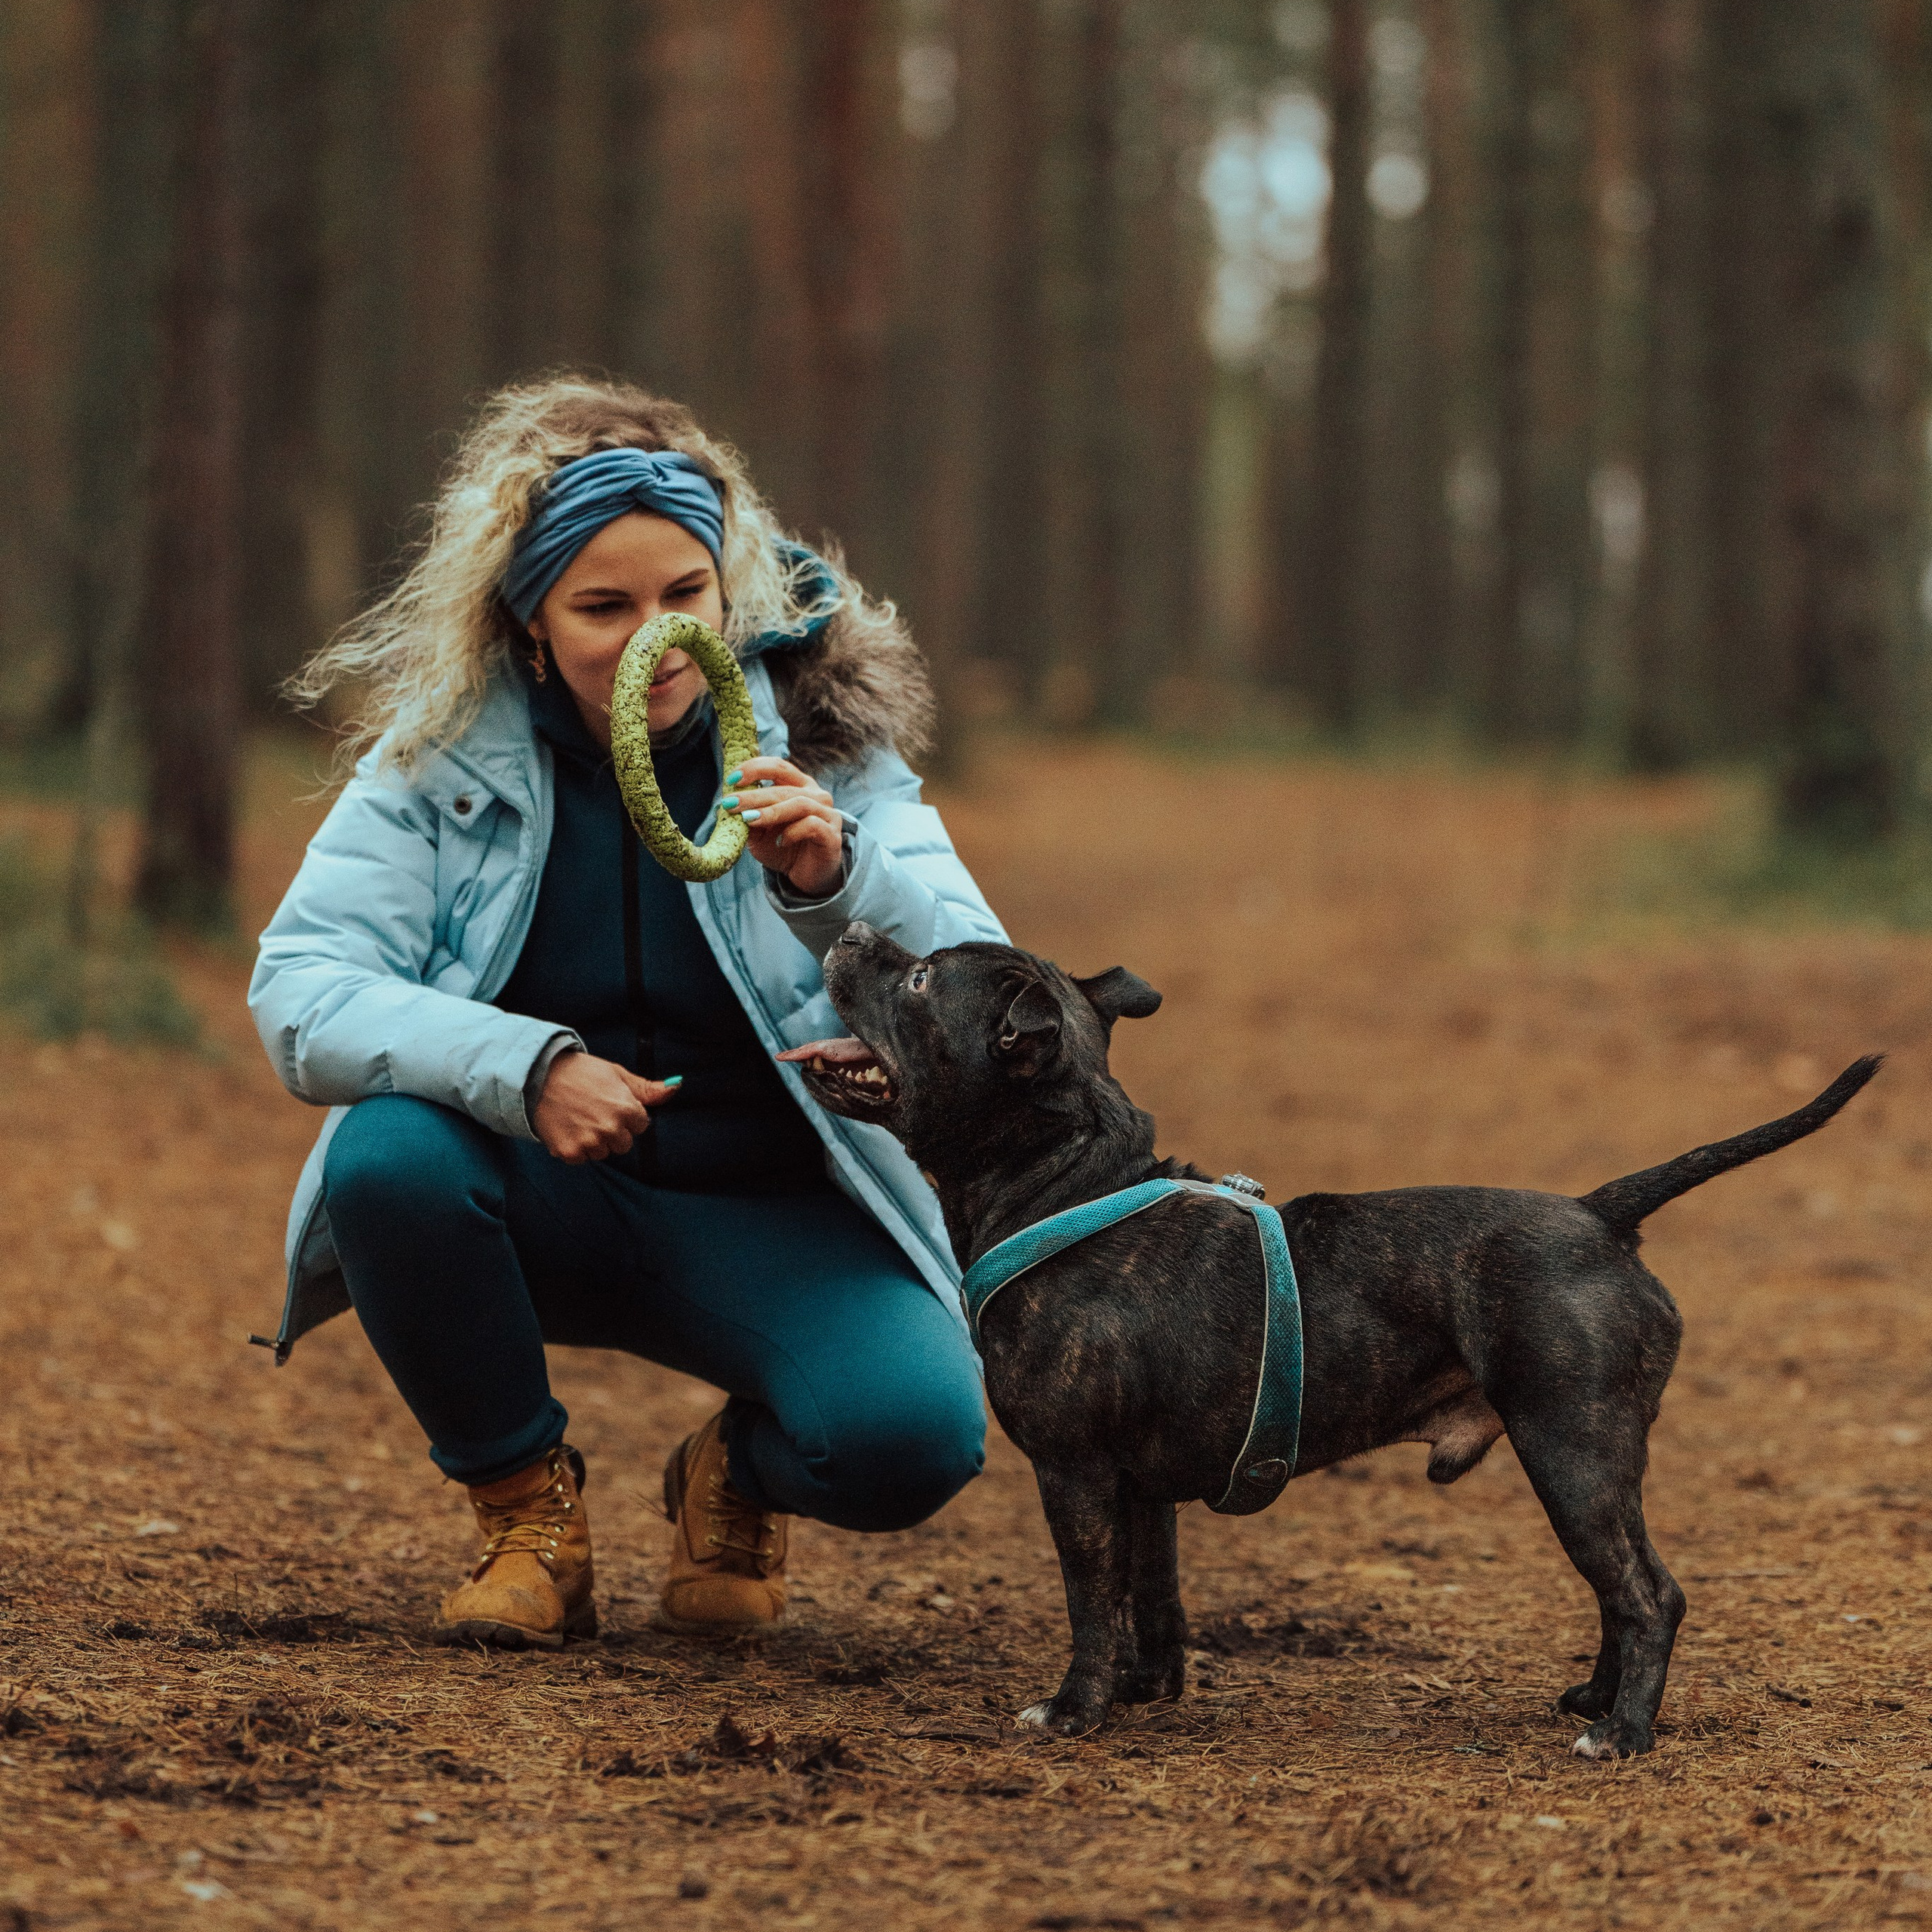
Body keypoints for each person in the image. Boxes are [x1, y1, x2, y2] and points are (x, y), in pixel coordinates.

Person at [250, 374, 1001, 1648]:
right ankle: (526, 1519)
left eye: (683, 596)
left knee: (913, 1442)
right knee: (385, 1159)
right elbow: (302, 990)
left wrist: (840, 882)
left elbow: (986, 993)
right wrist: (527, 1068)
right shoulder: (441, 758)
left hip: (778, 1212)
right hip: (541, 1192)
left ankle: (735, 1473)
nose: (655, 637)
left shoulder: (826, 744)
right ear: (530, 623)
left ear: (726, 596)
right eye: (603, 607)